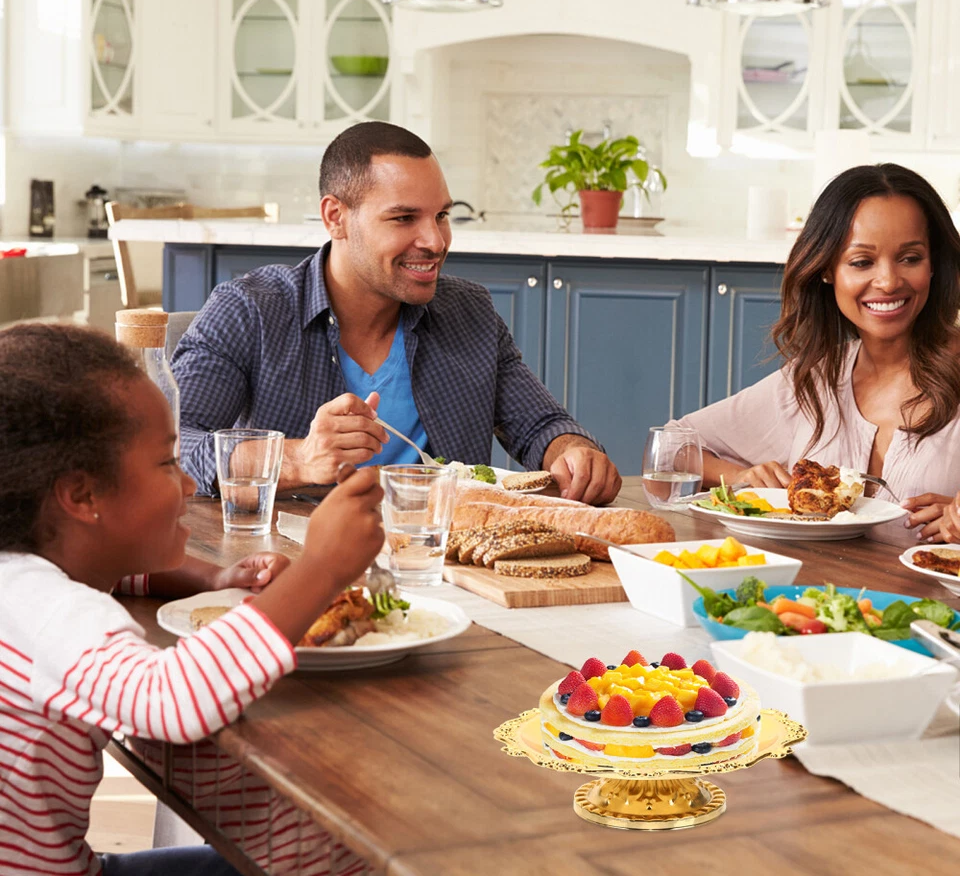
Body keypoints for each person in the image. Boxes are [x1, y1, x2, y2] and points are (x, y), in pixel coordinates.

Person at [0, 323, 384, 876]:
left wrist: (213, 577)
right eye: (167, 462)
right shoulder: (46, 611)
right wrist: (320, 569)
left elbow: (123, 576)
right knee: (330, 856)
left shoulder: (22, 576)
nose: (186, 483)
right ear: (82, 495)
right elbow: (171, 700)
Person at [172, 121, 621, 505]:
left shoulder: (470, 312)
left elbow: (541, 426)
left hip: (442, 560)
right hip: (295, 563)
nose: (435, 241)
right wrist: (298, 458)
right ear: (335, 217)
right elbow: (171, 449)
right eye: (404, 218)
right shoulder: (249, 310)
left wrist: (573, 452)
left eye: (441, 215)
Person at [666, 163, 960, 543]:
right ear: (826, 270)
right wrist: (741, 477)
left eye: (911, 258)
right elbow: (672, 447)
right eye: (861, 262)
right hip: (808, 581)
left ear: (934, 264)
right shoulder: (815, 379)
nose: (888, 281)